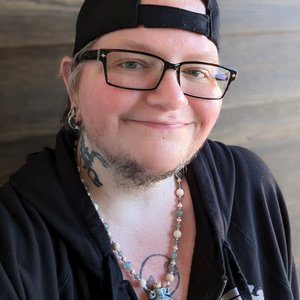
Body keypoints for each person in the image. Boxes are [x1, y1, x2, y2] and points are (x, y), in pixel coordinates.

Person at [0, 0, 298, 299]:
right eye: (132, 63)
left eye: (196, 71)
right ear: (72, 83)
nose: (172, 99)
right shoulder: (14, 244)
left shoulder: (248, 184)